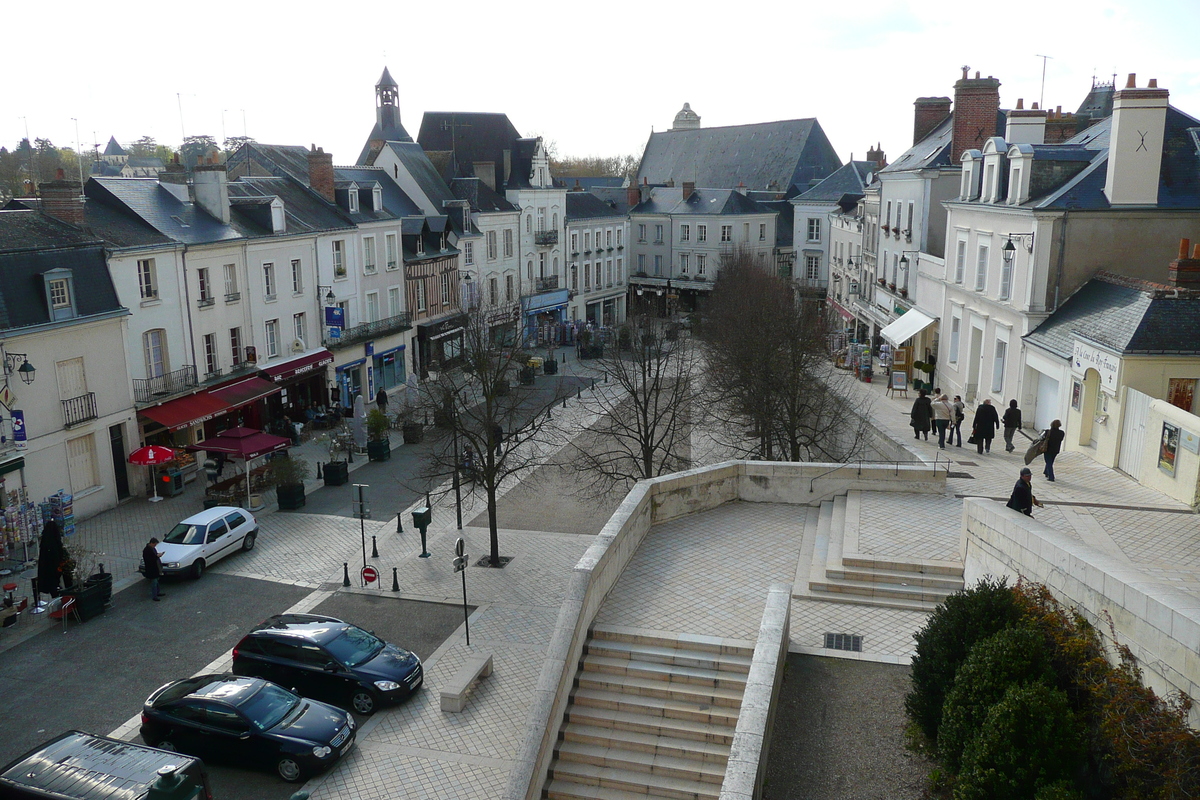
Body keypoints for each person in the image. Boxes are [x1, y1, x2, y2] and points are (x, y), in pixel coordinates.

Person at [36, 519, 64, 599]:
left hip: (46, 569)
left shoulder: (44, 542)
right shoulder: (55, 542)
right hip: (54, 569)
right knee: (54, 583)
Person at [143, 537, 165, 601]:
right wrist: (157, 556)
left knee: (156, 582)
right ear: (151, 543)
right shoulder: (147, 550)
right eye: (155, 544)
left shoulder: (152, 549)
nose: (155, 546)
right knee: (154, 583)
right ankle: (154, 596)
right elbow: (149, 560)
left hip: (155, 569)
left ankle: (157, 593)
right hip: (151, 570)